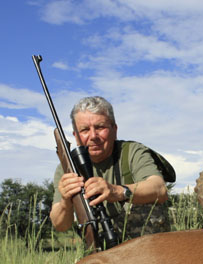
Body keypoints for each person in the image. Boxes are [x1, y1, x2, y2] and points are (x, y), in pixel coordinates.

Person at [50, 96, 171, 242]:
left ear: (114, 129)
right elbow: (60, 225)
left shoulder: (132, 151)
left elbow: (159, 189)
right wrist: (65, 200)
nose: (93, 136)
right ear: (76, 136)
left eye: (100, 127)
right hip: (98, 251)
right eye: (85, 130)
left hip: (142, 249)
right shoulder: (67, 169)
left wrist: (116, 191)